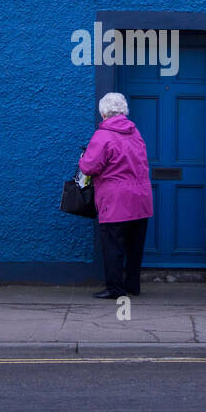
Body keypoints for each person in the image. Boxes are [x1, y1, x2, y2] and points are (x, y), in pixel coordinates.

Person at [79, 92, 153, 299]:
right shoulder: (135, 133)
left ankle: (115, 288)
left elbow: (89, 166)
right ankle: (132, 285)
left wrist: (84, 157)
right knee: (134, 246)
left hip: (115, 200)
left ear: (103, 113)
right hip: (141, 199)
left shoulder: (102, 135)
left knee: (113, 246)